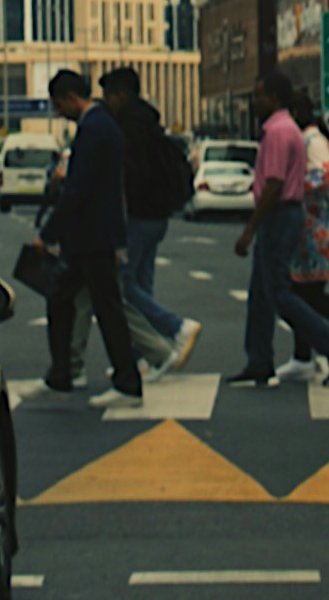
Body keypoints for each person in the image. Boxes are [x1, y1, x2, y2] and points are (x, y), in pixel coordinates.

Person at [236, 63, 329, 385]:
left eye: (259, 96)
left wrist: (250, 228)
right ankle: (266, 359)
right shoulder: (290, 131)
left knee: (286, 294)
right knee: (268, 292)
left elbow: (277, 183)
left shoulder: (282, 133)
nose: (254, 102)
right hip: (293, 218)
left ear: (274, 98)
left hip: (292, 218)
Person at [36, 65, 145, 403]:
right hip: (93, 235)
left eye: (58, 105)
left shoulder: (94, 129)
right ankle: (62, 372)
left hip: (92, 236)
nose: (58, 113)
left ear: (71, 98)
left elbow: (79, 189)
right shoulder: (100, 125)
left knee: (104, 306)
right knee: (66, 298)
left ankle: (125, 381)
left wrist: (49, 232)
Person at [106, 62, 204, 369]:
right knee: (141, 284)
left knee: (124, 287)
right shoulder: (150, 123)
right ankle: (143, 355)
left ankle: (176, 328)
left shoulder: (127, 129)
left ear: (121, 95)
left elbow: (128, 176)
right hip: (158, 216)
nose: (106, 101)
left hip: (137, 215)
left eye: (108, 94)